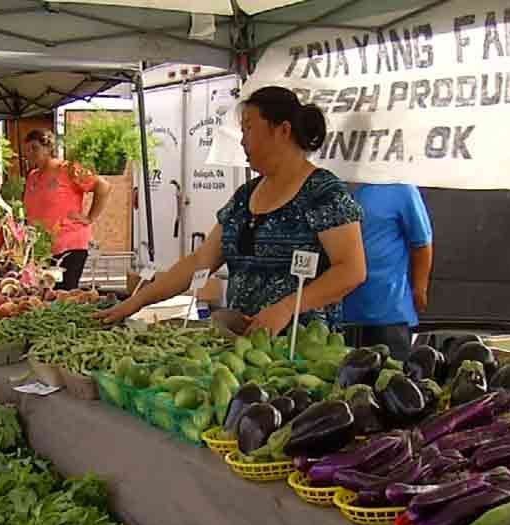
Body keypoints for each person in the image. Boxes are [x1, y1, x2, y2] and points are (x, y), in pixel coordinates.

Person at [97, 86, 365, 335]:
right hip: (240, 344)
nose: (242, 140)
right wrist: (138, 301)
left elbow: (351, 270)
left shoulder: (323, 192)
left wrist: (286, 308)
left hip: (302, 349)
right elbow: (200, 261)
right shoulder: (244, 196)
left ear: (283, 131)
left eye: (248, 128)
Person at [341, 184, 434, 361]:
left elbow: (422, 244)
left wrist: (419, 289)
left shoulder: (402, 188)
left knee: (390, 381)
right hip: (339, 315)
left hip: (390, 316)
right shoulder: (331, 184)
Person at [21, 129, 111, 290]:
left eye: (34, 148)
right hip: (42, 249)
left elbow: (103, 186)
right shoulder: (33, 176)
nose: (30, 153)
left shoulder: (67, 169)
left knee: (62, 295)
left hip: (69, 244)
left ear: (48, 148)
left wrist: (90, 217)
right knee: (43, 295)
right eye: (27, 149)